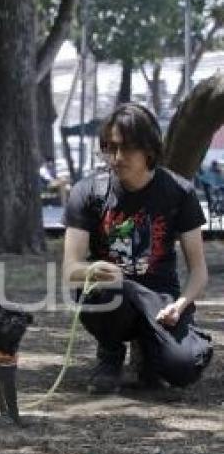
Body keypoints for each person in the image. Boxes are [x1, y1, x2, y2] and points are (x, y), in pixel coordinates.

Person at [62, 102, 212, 394]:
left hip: (160, 299)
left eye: (127, 148)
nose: (116, 158)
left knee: (183, 369)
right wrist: (93, 270)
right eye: (109, 148)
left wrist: (179, 306)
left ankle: (150, 352)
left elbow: (198, 271)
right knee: (115, 288)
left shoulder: (179, 192)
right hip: (109, 296)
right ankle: (110, 354)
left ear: (150, 150)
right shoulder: (88, 192)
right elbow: (71, 270)